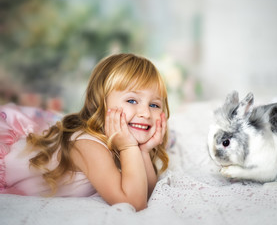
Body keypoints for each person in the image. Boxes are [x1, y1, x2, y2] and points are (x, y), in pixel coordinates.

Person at [0, 53, 170, 211]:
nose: (146, 113)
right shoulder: (88, 144)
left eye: (154, 105)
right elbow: (134, 203)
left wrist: (143, 151)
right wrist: (128, 147)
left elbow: (145, 191)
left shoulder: (124, 142)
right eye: (132, 100)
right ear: (100, 104)